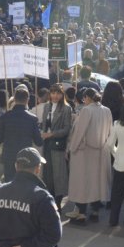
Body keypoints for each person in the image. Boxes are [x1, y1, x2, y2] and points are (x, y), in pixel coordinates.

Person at [67, 88, 113, 224]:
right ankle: (95, 211)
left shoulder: (86, 110)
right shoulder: (107, 110)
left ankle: (81, 213)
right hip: (101, 150)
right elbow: (110, 130)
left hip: (85, 151)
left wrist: (72, 148)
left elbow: (80, 132)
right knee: (97, 181)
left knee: (83, 181)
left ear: (87, 97)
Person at [0, 88, 43, 182]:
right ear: (27, 100)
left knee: (9, 183)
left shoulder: (5, 117)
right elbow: (39, 142)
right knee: (25, 184)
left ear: (14, 99)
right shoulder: (32, 118)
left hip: (9, 156)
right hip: (26, 158)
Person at [40, 84, 73, 213]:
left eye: (58, 93)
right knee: (47, 174)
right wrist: (43, 134)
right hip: (47, 143)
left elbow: (66, 129)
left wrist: (52, 134)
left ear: (62, 94)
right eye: (53, 93)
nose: (55, 96)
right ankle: (49, 200)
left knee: (58, 175)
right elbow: (44, 124)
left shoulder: (66, 108)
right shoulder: (47, 106)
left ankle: (57, 202)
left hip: (58, 144)